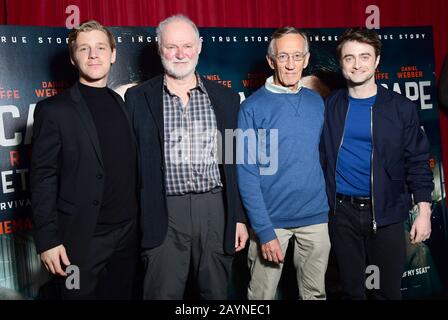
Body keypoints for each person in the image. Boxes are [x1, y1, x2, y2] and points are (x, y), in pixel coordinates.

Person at [125, 14, 248, 300]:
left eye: (187, 46)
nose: (180, 54)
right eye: (171, 47)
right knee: (161, 293)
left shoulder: (226, 99)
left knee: (215, 292)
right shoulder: (137, 98)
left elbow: (234, 163)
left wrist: (238, 218)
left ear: (200, 46)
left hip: (215, 209)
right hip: (162, 210)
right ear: (159, 49)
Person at [320, 28, 433, 299]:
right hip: (341, 213)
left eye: (364, 56)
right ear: (341, 62)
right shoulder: (328, 106)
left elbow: (417, 161)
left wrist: (424, 211)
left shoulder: (401, 108)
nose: (357, 65)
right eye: (349, 58)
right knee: (351, 291)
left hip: (387, 212)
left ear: (377, 60)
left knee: (388, 292)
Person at [30, 20, 139, 299]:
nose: (93, 55)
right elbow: (42, 178)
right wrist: (48, 240)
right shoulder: (53, 110)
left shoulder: (124, 104)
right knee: (74, 295)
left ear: (113, 55)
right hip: (80, 241)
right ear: (72, 57)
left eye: (101, 47)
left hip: (127, 235)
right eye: (84, 48)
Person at [237, 26, 331, 300]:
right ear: (271, 61)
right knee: (261, 296)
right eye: (283, 56)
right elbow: (245, 172)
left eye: (297, 56)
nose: (291, 64)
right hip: (271, 222)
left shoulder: (318, 102)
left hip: (315, 219)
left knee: (315, 295)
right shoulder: (250, 108)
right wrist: (264, 231)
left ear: (307, 58)